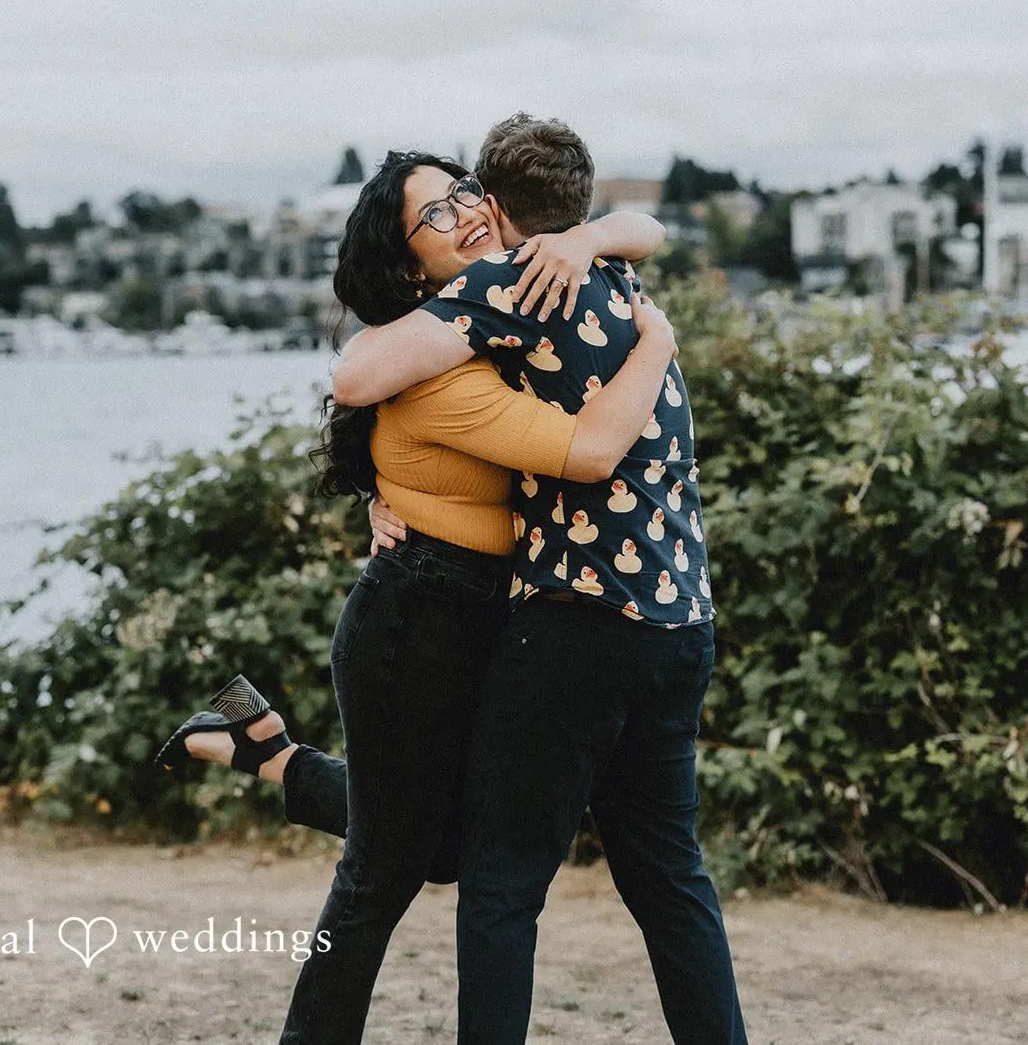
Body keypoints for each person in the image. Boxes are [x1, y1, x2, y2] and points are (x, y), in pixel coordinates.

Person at [155, 148, 679, 1044]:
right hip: (418, 621)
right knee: (381, 872)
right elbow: (590, 451)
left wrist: (589, 236)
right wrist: (660, 342)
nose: (470, 214)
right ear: (408, 266)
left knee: (441, 847)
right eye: (438, 215)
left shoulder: (502, 308)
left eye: (466, 194)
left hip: (489, 615)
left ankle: (264, 748)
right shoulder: (441, 367)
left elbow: (648, 229)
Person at [333, 113, 748, 1044]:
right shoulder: (617, 276)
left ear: (491, 201)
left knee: (499, 885)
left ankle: (276, 763)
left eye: (465, 198)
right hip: (680, 620)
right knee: (669, 879)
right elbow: (654, 228)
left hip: (578, 623)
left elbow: (356, 373)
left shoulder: (509, 284)